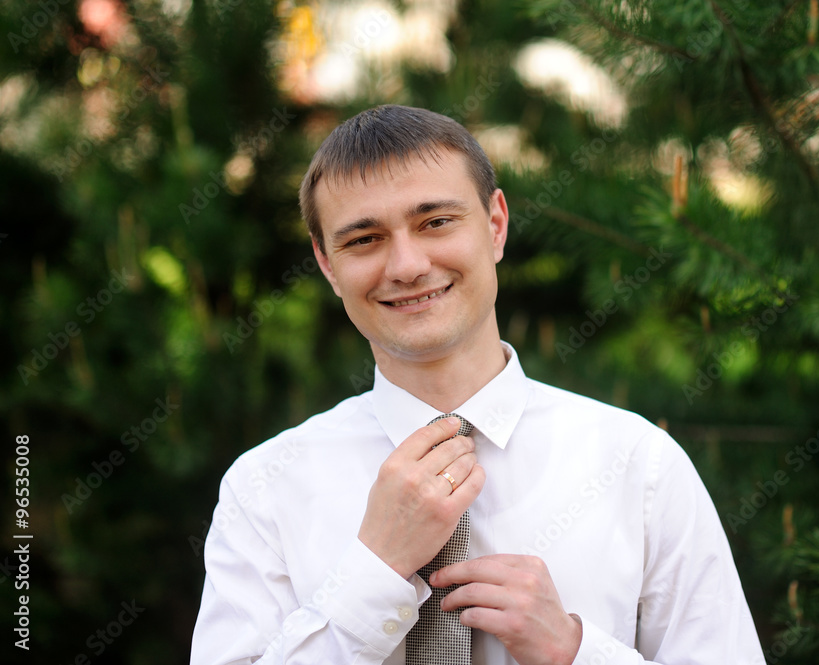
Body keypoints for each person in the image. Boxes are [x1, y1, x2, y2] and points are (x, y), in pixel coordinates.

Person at [190, 104, 765, 665]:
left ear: (495, 226)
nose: (407, 266)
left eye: (435, 222)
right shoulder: (263, 489)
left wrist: (574, 652)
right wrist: (373, 574)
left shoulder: (640, 466)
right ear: (326, 264)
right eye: (364, 239)